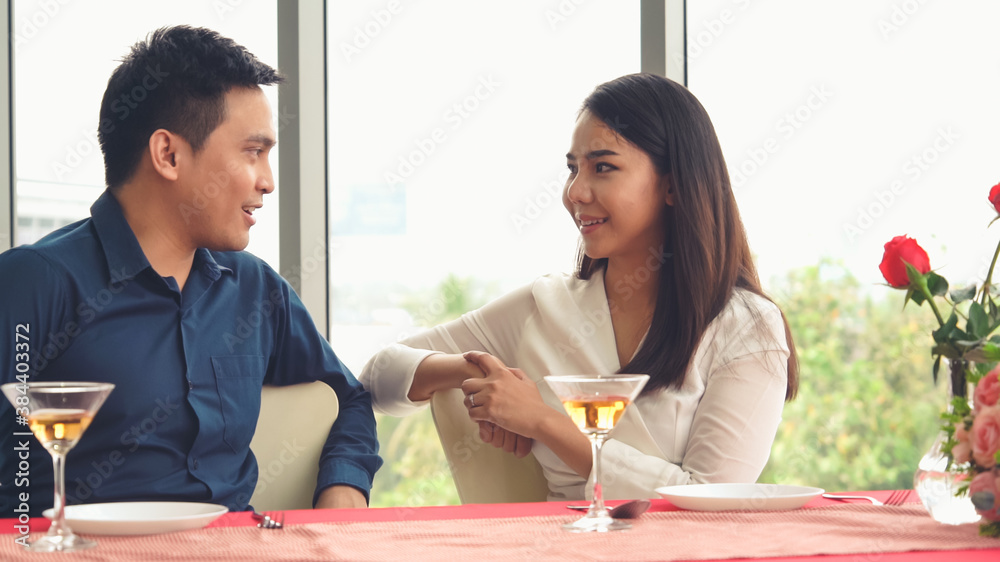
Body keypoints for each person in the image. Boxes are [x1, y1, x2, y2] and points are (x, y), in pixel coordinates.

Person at [360, 73, 798, 501]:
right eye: (573, 169)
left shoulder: (747, 326)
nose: (576, 192)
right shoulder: (546, 307)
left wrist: (544, 422)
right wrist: (474, 370)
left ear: (672, 185)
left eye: (603, 167)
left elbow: (710, 500)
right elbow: (376, 376)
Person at [0, 26, 381, 518]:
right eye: (252, 151)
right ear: (169, 155)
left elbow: (348, 398)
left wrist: (341, 494)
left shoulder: (255, 289)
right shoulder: (34, 283)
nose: (267, 181)